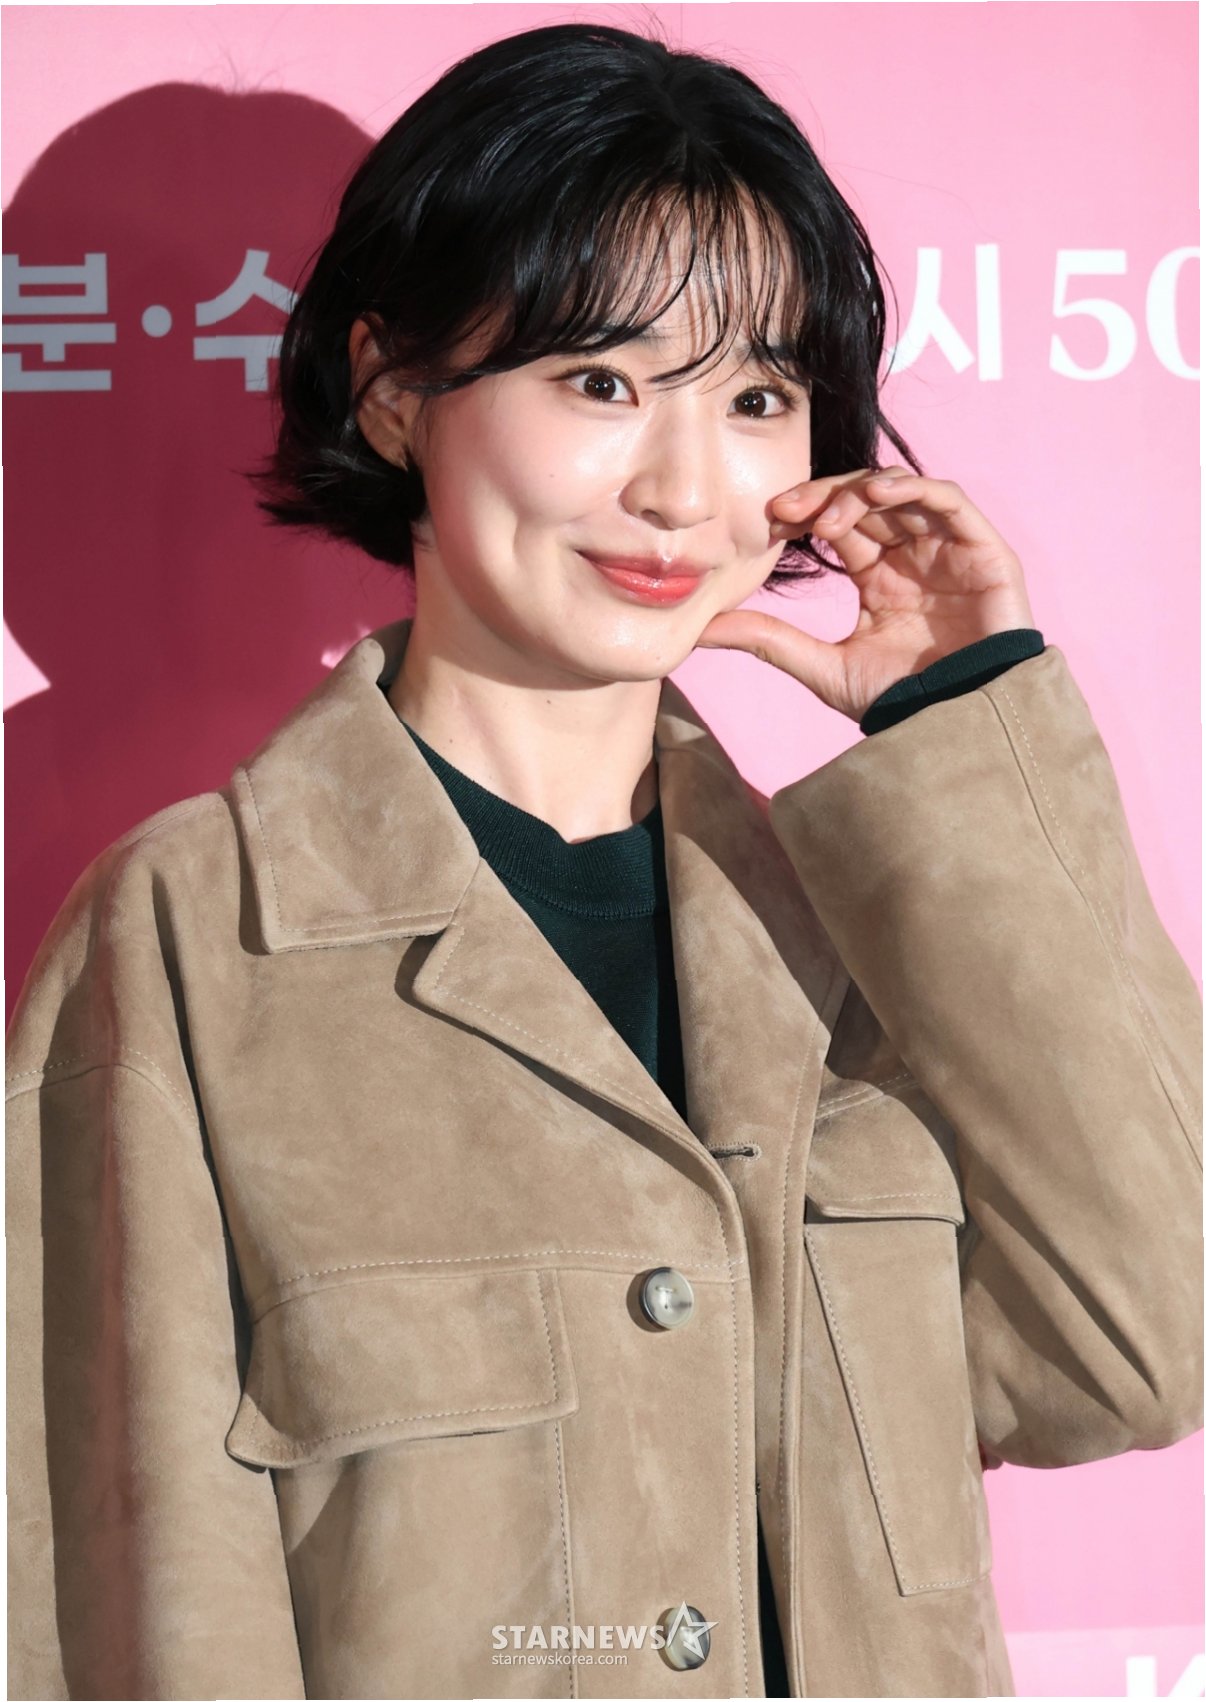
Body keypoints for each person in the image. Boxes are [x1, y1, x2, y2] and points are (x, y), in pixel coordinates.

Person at [7, 21, 1201, 1701]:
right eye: (599, 381)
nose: (682, 486)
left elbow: (1142, 1346)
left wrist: (964, 720)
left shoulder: (871, 927)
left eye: (756, 398)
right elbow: (127, 1606)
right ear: (394, 389)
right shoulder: (195, 937)